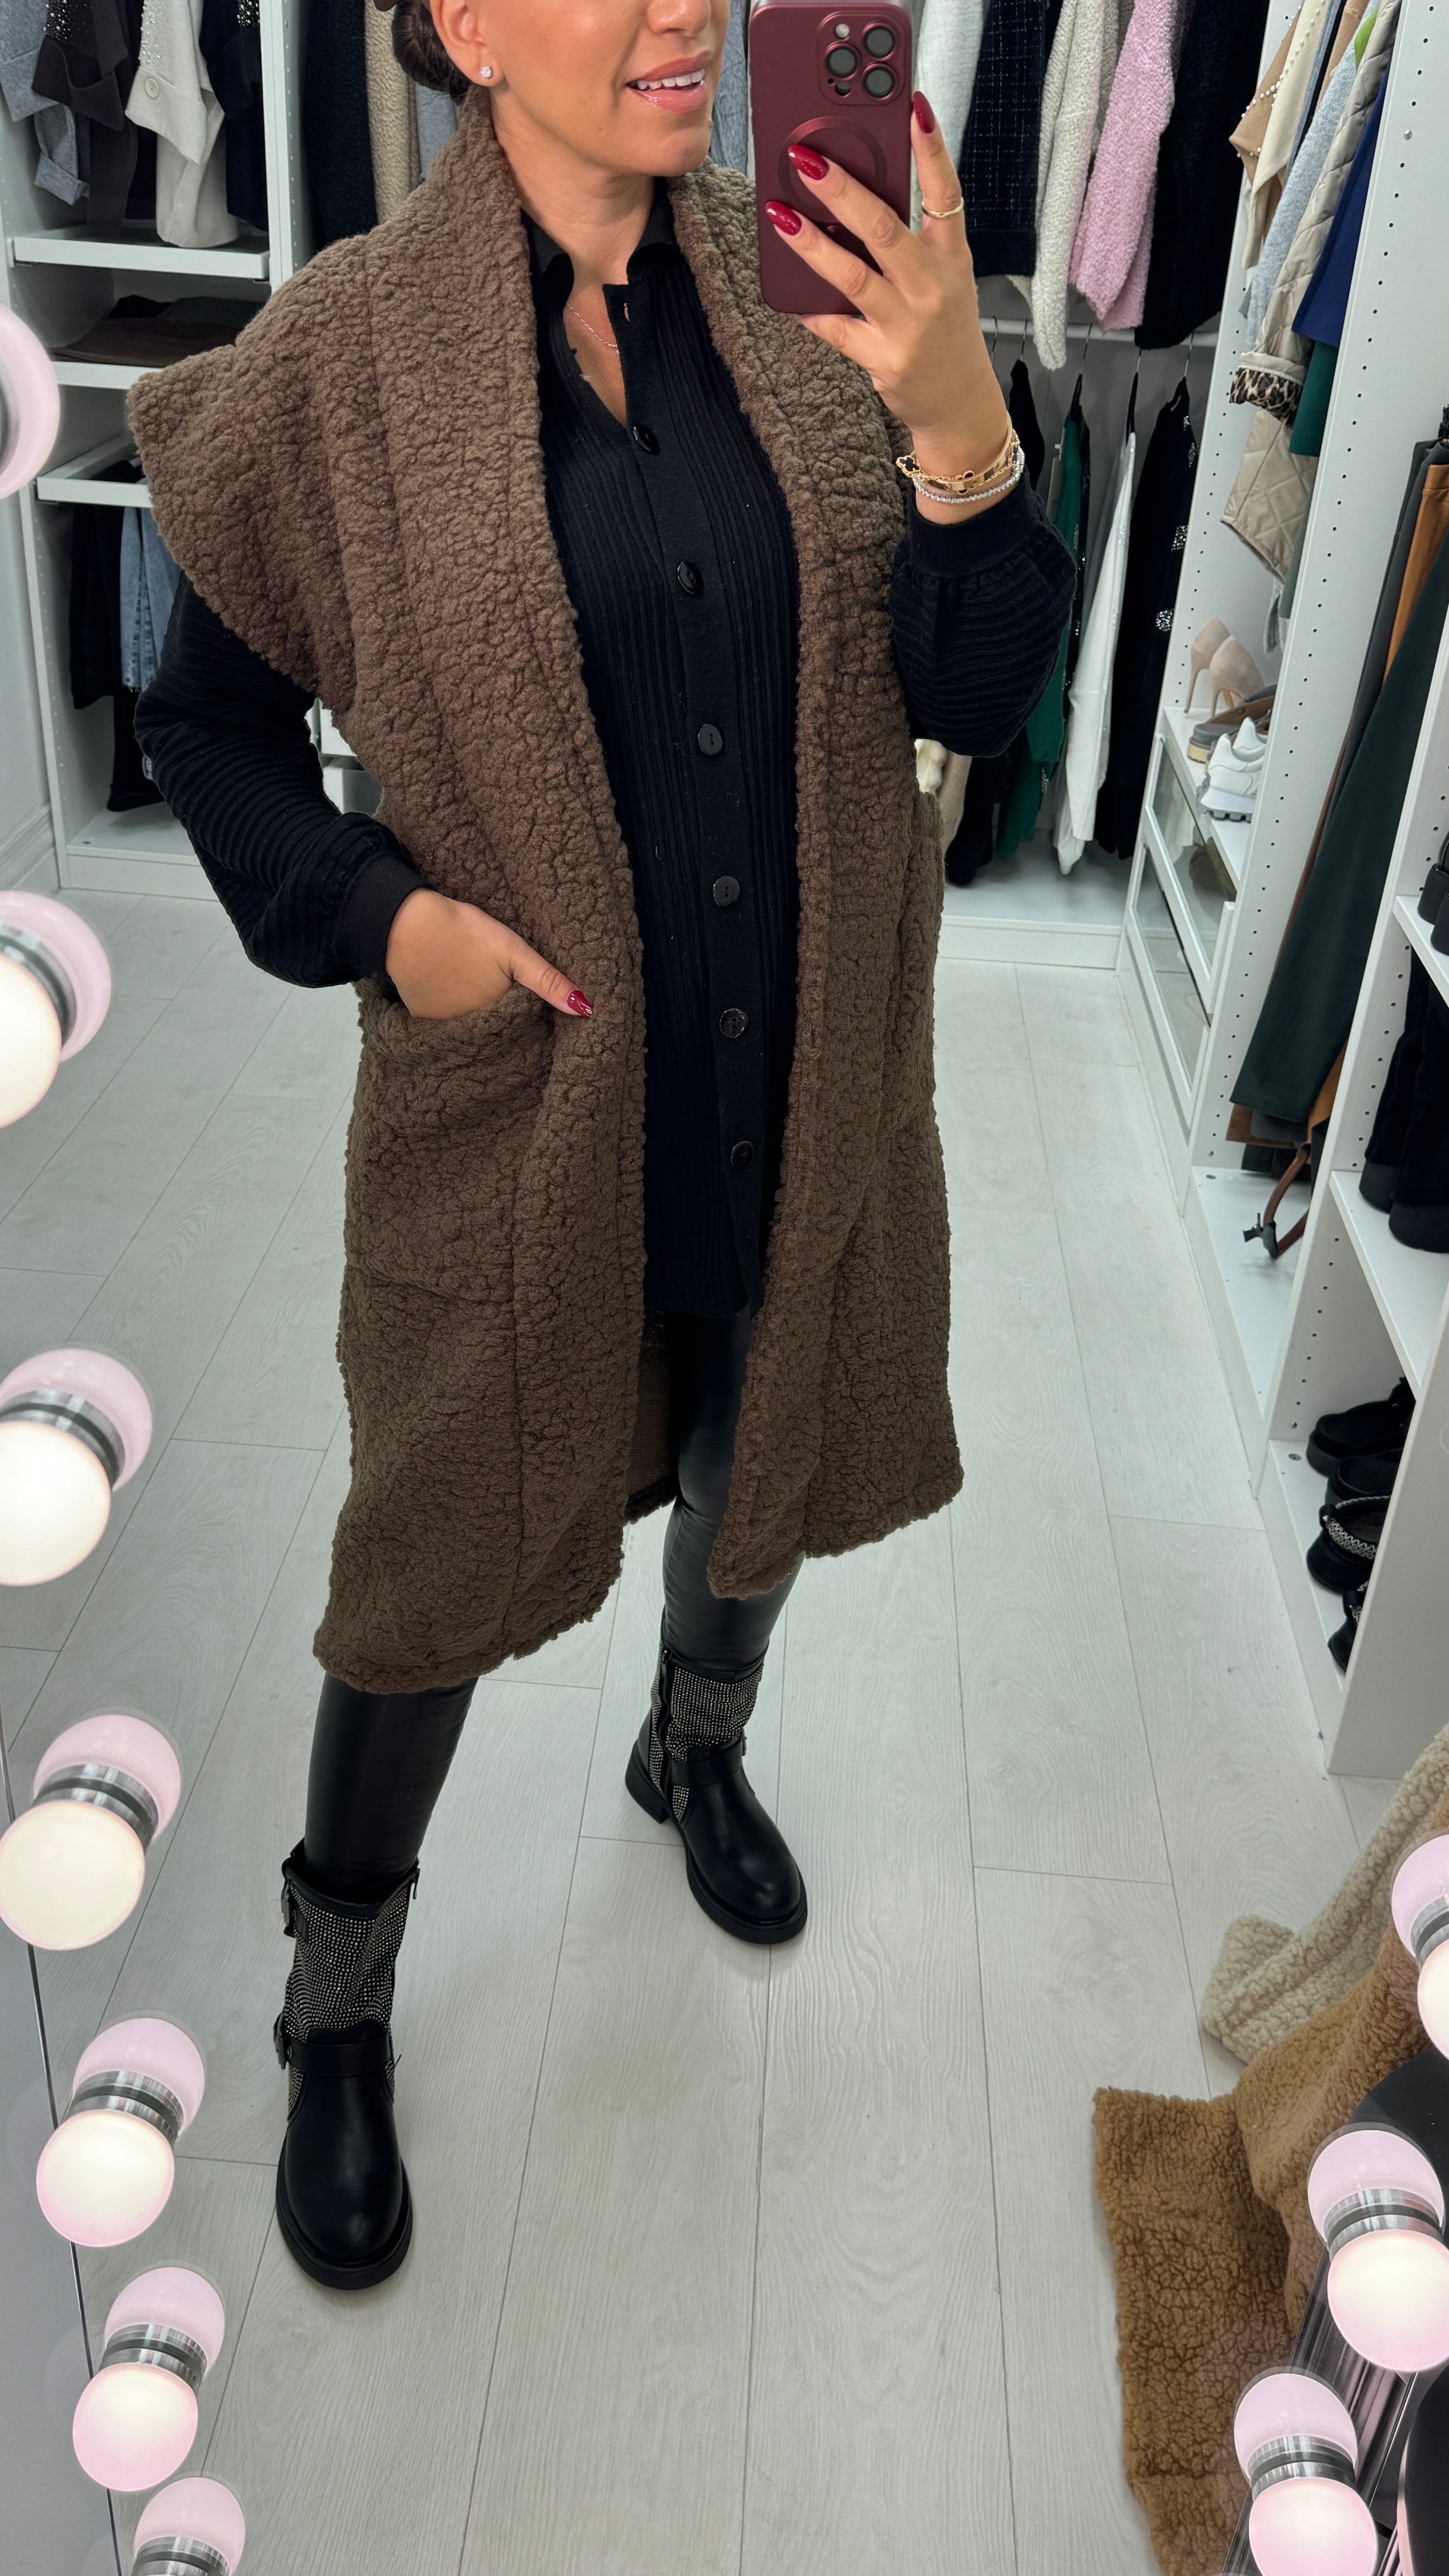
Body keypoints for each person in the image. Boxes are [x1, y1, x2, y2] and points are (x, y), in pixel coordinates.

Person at [131, 0, 1072, 2293]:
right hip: (526, 1112)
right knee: (431, 1561)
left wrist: (963, 426)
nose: (679, 10)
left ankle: (693, 1747)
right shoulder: (341, 363)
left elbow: (976, 698)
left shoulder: (823, 287)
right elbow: (208, 725)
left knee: (763, 1453)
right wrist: (385, 923)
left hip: (798, 1079)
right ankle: (338, 1992)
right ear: (459, 23)